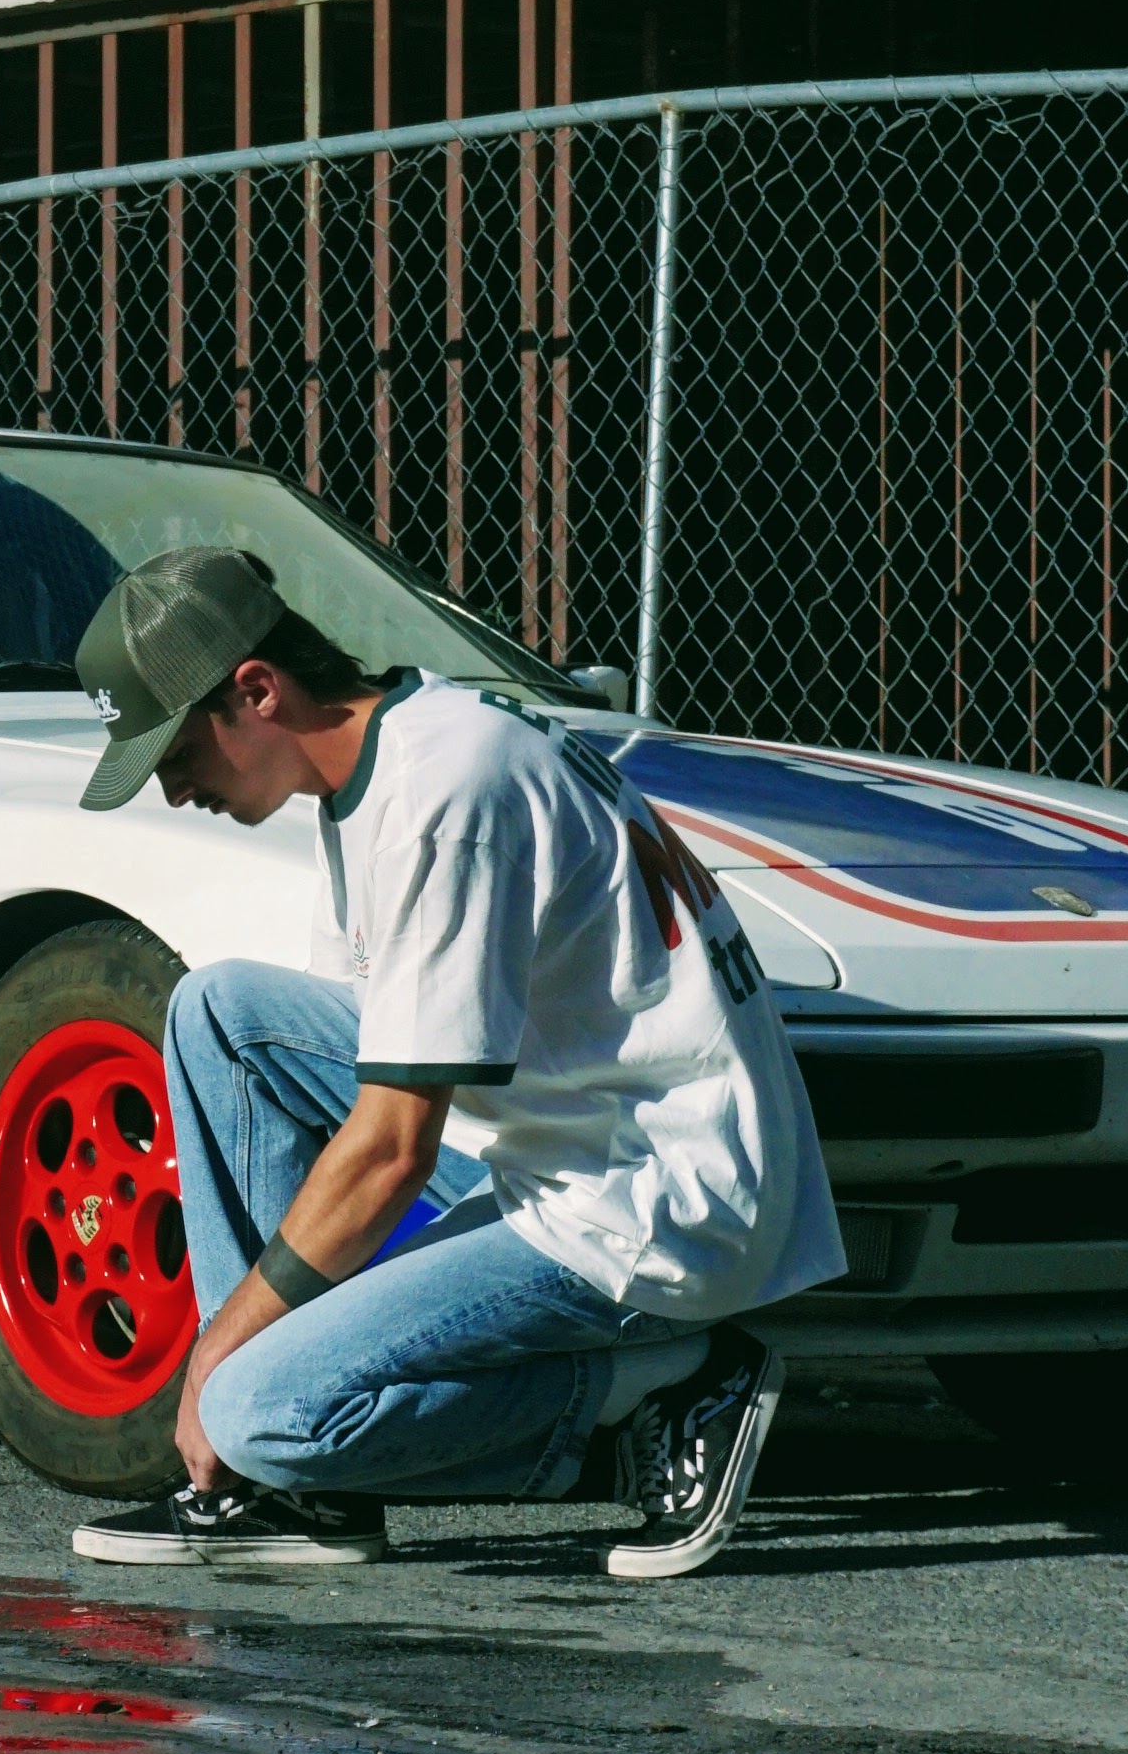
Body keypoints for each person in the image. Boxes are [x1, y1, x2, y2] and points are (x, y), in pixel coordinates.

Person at [67, 547, 843, 1580]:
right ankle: (274, 1482)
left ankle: (663, 1386)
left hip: (657, 1202)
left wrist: (228, 1353)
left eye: (177, 750)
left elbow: (391, 1149)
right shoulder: (400, 747)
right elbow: (371, 1096)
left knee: (258, 1406)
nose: (173, 787)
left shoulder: (446, 791)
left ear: (257, 689)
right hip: (567, 1138)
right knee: (222, 1013)